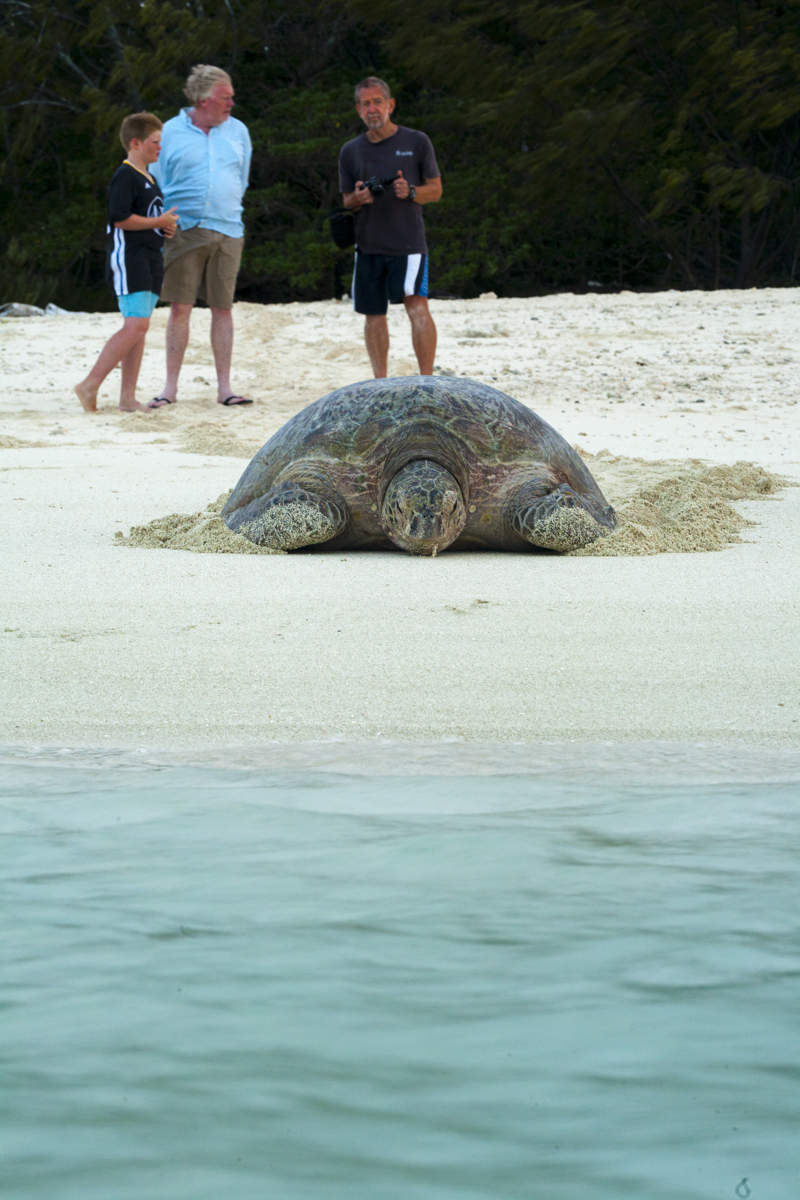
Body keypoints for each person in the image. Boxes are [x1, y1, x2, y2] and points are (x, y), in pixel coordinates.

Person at [149, 64, 253, 407]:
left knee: (223, 309)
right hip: (183, 230)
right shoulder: (168, 132)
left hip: (228, 230)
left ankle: (225, 389)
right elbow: (155, 180)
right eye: (226, 97)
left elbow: (243, 178)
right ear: (204, 99)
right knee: (180, 308)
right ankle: (170, 389)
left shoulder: (238, 131)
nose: (231, 103)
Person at [339, 76, 442, 378]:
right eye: (366, 103)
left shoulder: (416, 141)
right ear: (358, 109)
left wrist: (410, 192)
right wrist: (358, 198)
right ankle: (378, 383)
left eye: (378, 102)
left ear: (391, 105)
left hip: (408, 244)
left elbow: (435, 190)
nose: (372, 109)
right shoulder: (350, 151)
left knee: (417, 308)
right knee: (373, 314)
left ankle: (427, 381)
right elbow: (346, 200)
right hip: (368, 245)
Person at [75, 113, 178, 414]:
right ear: (135, 142)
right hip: (129, 258)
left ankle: (127, 398)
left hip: (149, 257)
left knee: (140, 327)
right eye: (154, 142)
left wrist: (164, 227)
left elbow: (147, 218)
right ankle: (89, 384)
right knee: (135, 325)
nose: (160, 148)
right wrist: (158, 221)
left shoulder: (149, 178)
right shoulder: (125, 175)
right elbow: (119, 218)